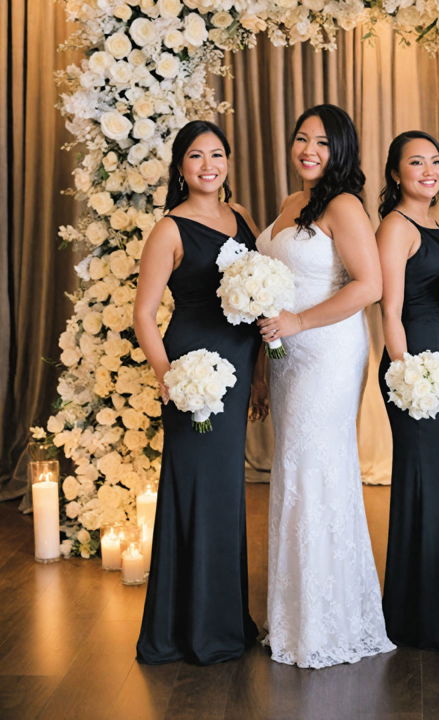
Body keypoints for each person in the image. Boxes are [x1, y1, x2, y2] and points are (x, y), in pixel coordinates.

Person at [254, 104, 395, 668]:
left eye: (321, 142)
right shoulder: (292, 203)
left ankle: (327, 623)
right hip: (287, 354)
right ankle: (297, 614)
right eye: (301, 138)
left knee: (316, 469)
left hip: (328, 350)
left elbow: (370, 284)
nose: (308, 150)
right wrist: (267, 364)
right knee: (294, 470)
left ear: (340, 150)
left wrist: (299, 323)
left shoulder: (343, 205)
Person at [134, 120, 261, 665]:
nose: (208, 165)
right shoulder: (169, 229)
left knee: (226, 492)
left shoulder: (244, 219)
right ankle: (184, 629)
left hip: (239, 362)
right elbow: (142, 316)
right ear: (181, 168)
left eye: (216, 155)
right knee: (194, 488)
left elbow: (257, 307)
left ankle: (225, 621)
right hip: (194, 369)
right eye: (195, 156)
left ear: (228, 161)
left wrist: (258, 376)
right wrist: (172, 381)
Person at [376, 131, 439, 651]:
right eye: (415, 163)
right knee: (434, 485)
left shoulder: (436, 222)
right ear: (396, 174)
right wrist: (406, 372)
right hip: (417, 367)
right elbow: (389, 309)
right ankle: (426, 618)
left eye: (435, 161)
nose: (428, 170)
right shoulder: (396, 226)